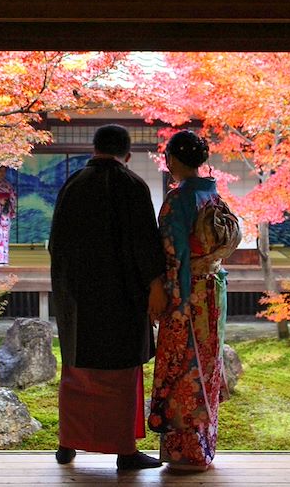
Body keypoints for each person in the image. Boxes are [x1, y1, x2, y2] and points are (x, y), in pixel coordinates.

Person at [49, 124, 167, 470]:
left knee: (78, 372)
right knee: (119, 377)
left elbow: (56, 244)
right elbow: (146, 245)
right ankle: (124, 452)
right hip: (120, 298)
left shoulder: (71, 185)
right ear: (127, 155)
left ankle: (67, 443)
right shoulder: (132, 185)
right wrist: (155, 286)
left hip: (77, 300)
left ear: (94, 149)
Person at [148, 130, 240, 472]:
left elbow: (175, 255)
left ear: (172, 160)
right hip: (213, 291)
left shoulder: (178, 199)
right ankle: (204, 447)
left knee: (183, 366)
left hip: (187, 295)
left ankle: (184, 452)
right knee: (207, 364)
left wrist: (173, 298)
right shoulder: (213, 194)